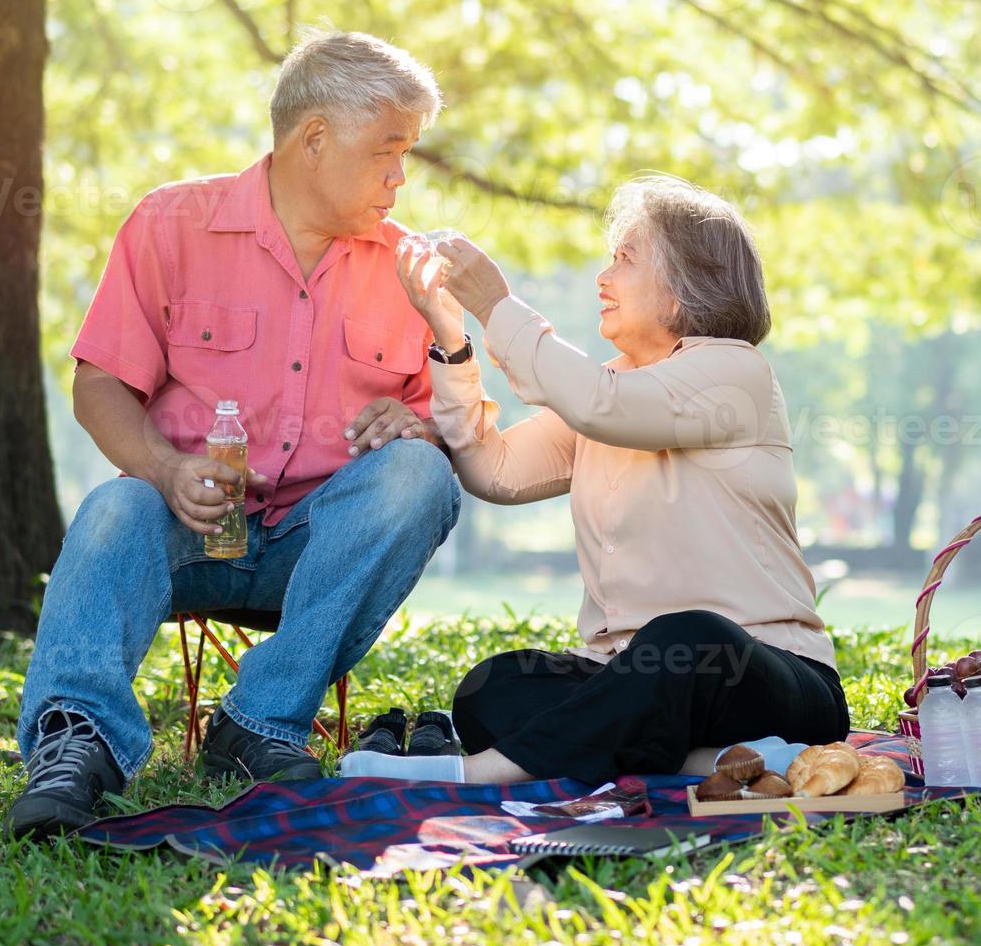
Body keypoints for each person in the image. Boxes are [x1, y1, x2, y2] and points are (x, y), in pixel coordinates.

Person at [8, 32, 462, 838]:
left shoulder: (407, 268)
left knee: (423, 477)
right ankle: (75, 742)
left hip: (317, 555)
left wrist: (419, 426)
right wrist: (162, 465)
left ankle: (258, 722)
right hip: (185, 529)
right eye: (386, 151)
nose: (401, 176)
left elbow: (452, 425)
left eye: (409, 154)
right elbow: (99, 382)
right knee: (115, 507)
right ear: (313, 138)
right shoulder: (170, 224)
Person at [339, 175, 849, 785]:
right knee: (494, 688)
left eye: (626, 259)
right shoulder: (613, 385)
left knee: (688, 639)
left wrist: (495, 302)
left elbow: (599, 404)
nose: (603, 279)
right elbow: (494, 470)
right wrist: (452, 339)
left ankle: (479, 775)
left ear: (689, 280)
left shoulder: (734, 373)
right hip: (629, 674)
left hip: (763, 671)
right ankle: (713, 762)